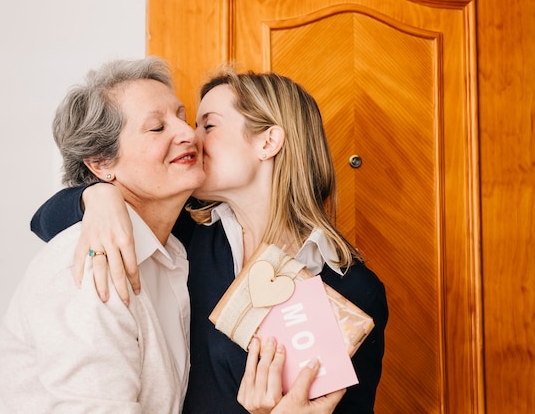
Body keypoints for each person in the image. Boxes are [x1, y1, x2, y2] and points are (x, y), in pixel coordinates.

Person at [31, 69, 389, 413]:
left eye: (208, 125)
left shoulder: (352, 289)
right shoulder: (182, 235)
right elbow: (44, 221)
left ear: (267, 141)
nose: (191, 136)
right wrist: (97, 197)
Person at [0, 57, 207, 413]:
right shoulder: (91, 265)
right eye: (157, 127)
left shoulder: (173, 251)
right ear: (102, 163)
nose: (189, 133)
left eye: (182, 116)